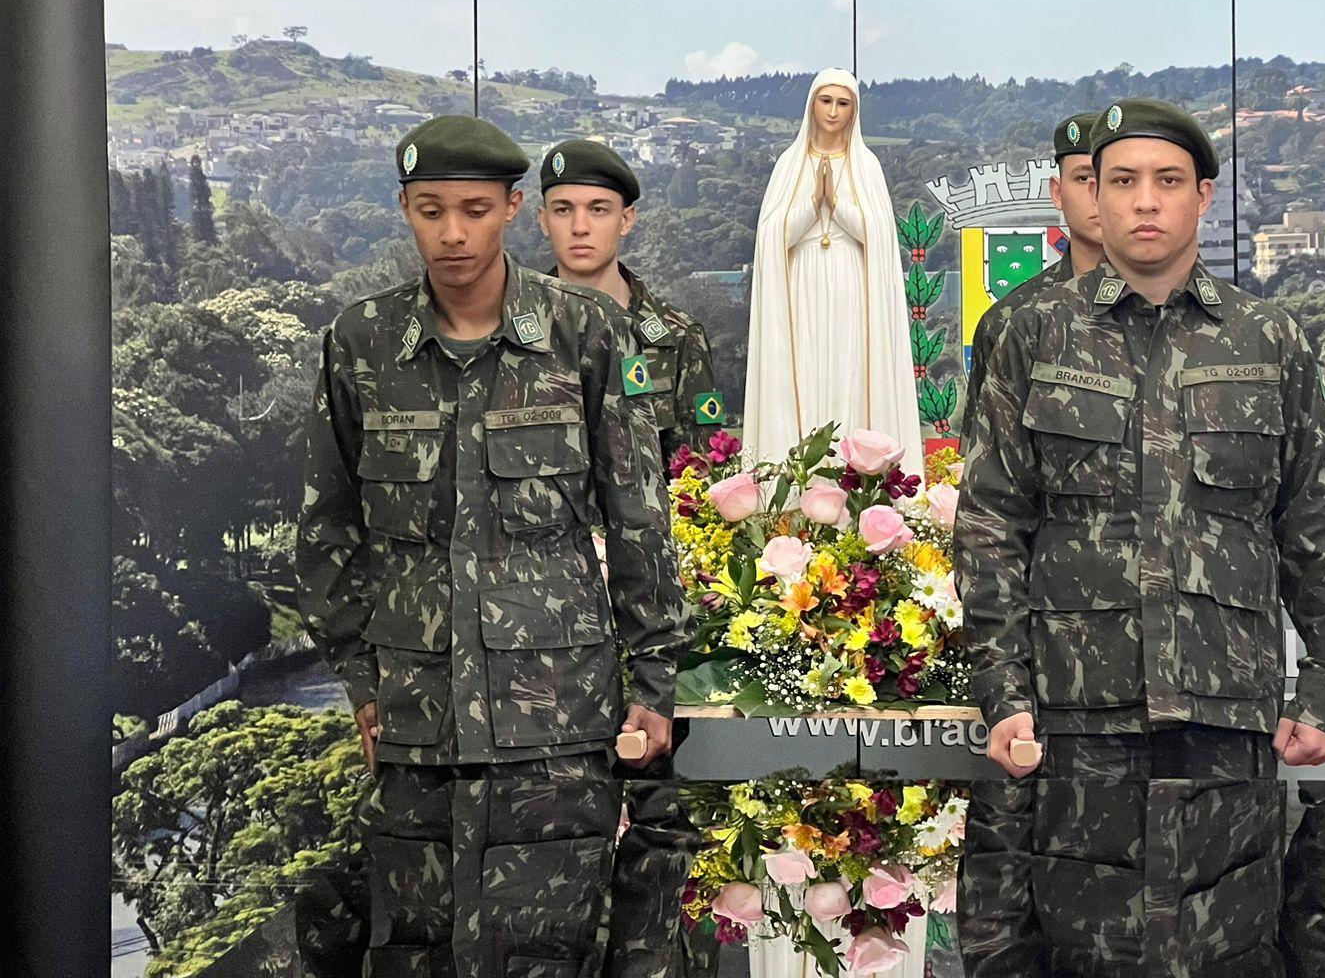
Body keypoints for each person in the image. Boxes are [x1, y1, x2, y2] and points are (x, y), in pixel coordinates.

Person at [295, 114, 690, 972]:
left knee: (556, 951)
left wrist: (652, 685)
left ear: (512, 209)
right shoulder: (360, 343)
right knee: (415, 952)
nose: (452, 232)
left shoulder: (585, 333)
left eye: (473, 209)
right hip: (415, 727)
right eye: (429, 210)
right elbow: (327, 534)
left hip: (558, 723)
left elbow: (639, 524)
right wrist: (365, 686)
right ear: (405, 210)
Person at [957, 97, 1325, 782]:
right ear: (1093, 191)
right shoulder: (1031, 333)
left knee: (1234, 887)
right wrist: (1002, 688)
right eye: (1121, 180)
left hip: (1232, 711)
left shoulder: (1268, 339)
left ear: (1204, 195)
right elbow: (990, 520)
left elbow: (1317, 518)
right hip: (1071, 712)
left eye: (1168, 181)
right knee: (1072, 891)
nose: (1145, 201)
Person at [744, 68, 923, 473]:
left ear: (854, 112)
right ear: (811, 105)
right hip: (801, 283)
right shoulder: (790, 164)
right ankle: (796, 480)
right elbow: (773, 237)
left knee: (849, 371)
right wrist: (812, 204)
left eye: (843, 103)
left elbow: (876, 234)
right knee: (804, 373)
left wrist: (836, 203)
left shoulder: (866, 165)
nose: (833, 111)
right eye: (826, 101)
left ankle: (851, 477)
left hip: (851, 283)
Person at [537, 138, 722, 464]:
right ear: (543, 220)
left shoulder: (678, 338)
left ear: (626, 220)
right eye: (563, 210)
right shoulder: (510, 331)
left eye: (598, 209)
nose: (580, 227)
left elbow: (701, 476)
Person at [961, 109, 1105, 444]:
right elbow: (983, 473)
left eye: (1117, 180)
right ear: (1057, 192)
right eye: (1083, 178)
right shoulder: (1012, 321)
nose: (1098, 194)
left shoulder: (1181, 309)